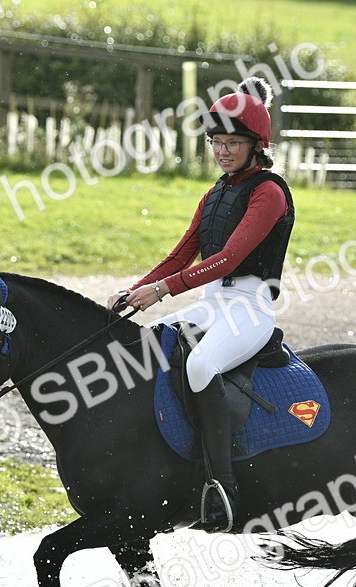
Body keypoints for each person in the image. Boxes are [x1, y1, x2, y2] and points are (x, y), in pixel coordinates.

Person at [107, 77, 296, 533]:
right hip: (213, 303)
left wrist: (163, 291)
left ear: (257, 145)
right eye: (217, 142)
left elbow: (228, 258)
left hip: (249, 307)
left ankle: (222, 486)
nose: (223, 151)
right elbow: (180, 255)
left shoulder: (269, 192)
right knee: (149, 346)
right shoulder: (213, 194)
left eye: (233, 143)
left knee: (200, 367)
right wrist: (135, 289)